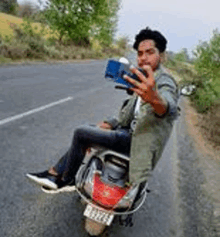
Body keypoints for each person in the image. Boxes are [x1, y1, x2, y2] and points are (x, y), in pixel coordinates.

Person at [26, 27, 179, 194]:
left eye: (149, 52)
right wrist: (111, 123)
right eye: (140, 53)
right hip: (126, 133)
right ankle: (56, 172)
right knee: (91, 130)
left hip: (137, 142)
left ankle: (66, 179)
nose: (143, 58)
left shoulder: (165, 81)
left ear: (162, 56)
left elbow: (169, 108)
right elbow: (130, 112)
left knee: (81, 132)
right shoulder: (143, 79)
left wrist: (154, 98)